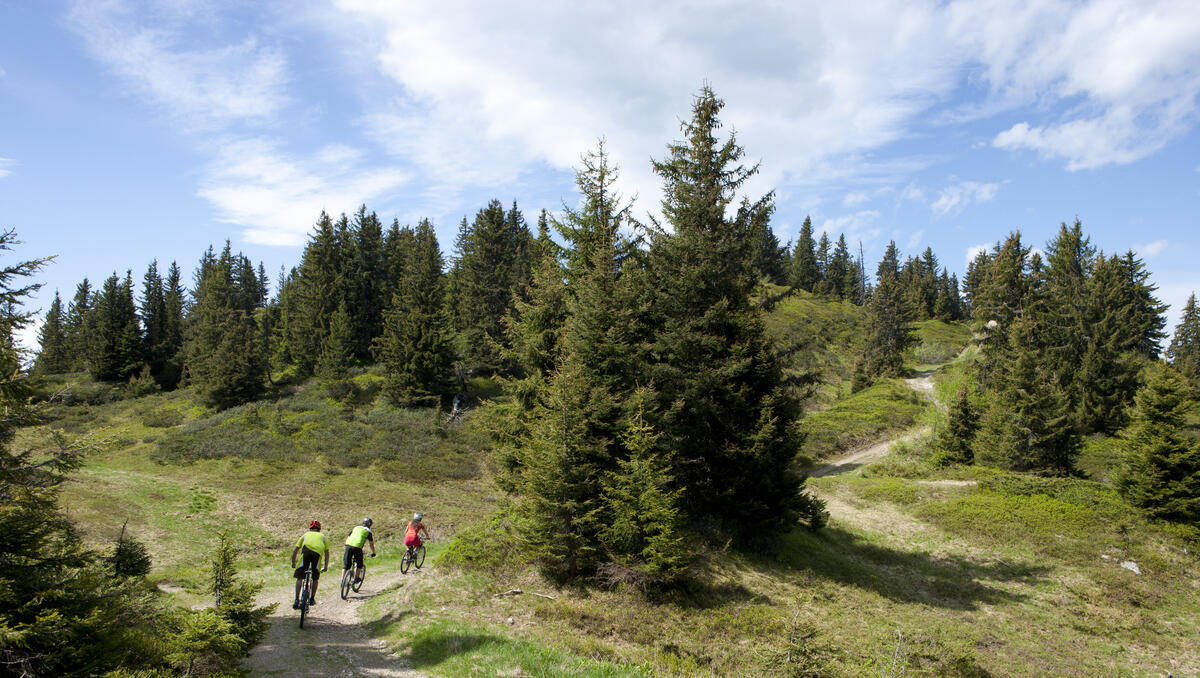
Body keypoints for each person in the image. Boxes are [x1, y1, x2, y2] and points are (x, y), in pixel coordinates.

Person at [291, 520, 329, 608]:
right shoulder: (323, 537)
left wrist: (293, 562)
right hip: (317, 554)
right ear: (319, 529)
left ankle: (296, 599)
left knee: (300, 577)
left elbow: (295, 550)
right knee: (315, 578)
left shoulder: (305, 535)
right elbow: (327, 553)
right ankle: (312, 598)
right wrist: (325, 566)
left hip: (306, 552)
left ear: (310, 528)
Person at [344, 517, 376, 585]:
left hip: (348, 545)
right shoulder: (368, 531)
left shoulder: (356, 527)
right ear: (370, 525)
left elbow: (349, 536)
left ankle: (342, 581)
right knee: (359, 563)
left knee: (346, 566)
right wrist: (373, 552)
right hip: (357, 547)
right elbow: (371, 544)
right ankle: (357, 577)